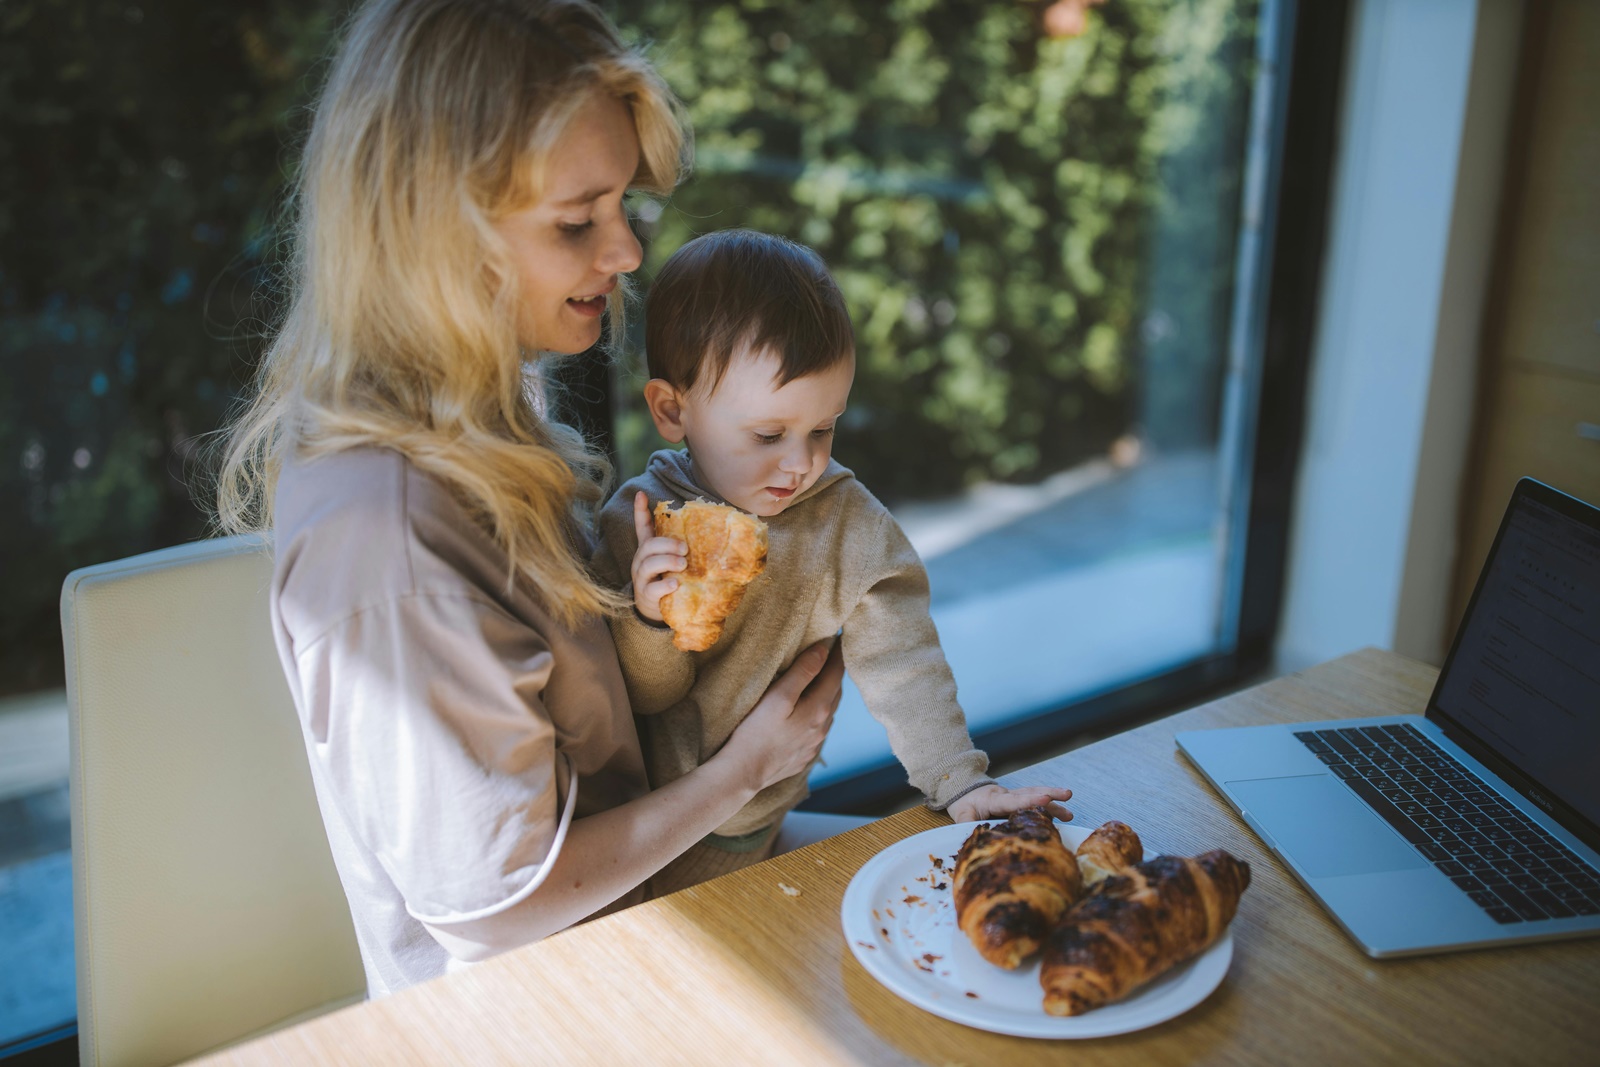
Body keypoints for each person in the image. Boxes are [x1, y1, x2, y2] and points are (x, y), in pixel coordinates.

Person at [213, 0, 846, 998]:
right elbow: (499, 912)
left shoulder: (480, 408)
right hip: (551, 1003)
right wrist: (741, 769)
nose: (629, 251)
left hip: (651, 909)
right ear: (434, 229)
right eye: (576, 221)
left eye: (622, 205)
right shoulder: (387, 544)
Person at [592, 230, 1073, 896]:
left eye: (824, 428)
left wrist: (960, 779)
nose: (802, 462)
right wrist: (648, 616)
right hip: (644, 841)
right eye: (768, 435)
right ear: (673, 410)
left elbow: (905, 663)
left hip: (760, 823)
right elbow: (647, 696)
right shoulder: (637, 522)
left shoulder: (849, 527)